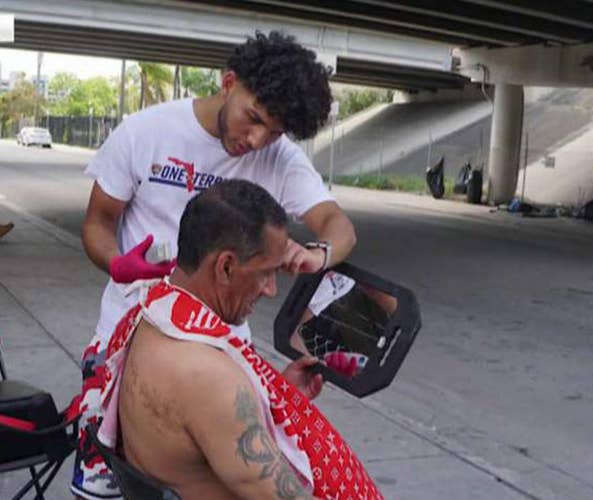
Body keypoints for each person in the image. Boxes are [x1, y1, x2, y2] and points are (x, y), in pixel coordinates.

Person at [75, 31, 357, 500]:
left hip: (221, 348)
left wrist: (318, 252)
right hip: (133, 335)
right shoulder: (146, 132)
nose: (257, 139)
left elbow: (338, 225)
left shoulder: (277, 157)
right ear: (228, 83)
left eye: (275, 131)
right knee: (111, 479)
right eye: (254, 119)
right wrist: (117, 262)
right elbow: (98, 222)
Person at [94, 180, 381, 500]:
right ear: (226, 267)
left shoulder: (148, 317)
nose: (271, 289)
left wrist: (270, 401)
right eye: (266, 273)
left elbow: (202, 427)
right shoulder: (210, 378)